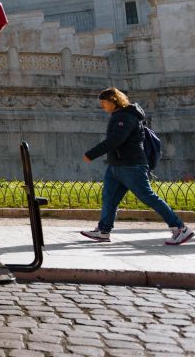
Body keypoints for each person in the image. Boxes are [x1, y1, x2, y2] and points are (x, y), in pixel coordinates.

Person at [81, 87, 193, 245]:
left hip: (131, 165)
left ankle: (180, 229)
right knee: (109, 198)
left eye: (104, 103)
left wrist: (91, 154)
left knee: (148, 197)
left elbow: (115, 140)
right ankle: (103, 231)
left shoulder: (126, 117)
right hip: (116, 165)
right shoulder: (119, 115)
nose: (102, 107)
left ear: (114, 101)